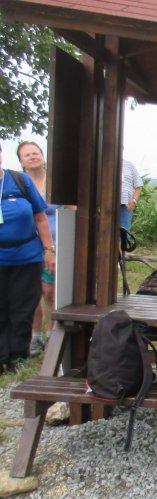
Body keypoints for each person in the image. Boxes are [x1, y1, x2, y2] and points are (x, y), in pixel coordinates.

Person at [0, 143, 56, 374]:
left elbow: (41, 217)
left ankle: (17, 354)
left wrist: (48, 250)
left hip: (26, 256)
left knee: (23, 307)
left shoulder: (19, 181)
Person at [16, 141, 56, 355]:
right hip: (28, 245)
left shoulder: (55, 181)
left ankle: (52, 333)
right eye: (27, 155)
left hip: (54, 245)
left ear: (43, 156)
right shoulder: (19, 183)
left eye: (36, 153)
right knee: (32, 292)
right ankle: (35, 336)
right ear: (21, 161)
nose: (33, 157)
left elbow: (72, 209)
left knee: (49, 292)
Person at [120, 159, 143, 232]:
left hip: (126, 206)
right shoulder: (106, 164)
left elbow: (138, 186)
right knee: (106, 233)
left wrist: (134, 201)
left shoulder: (129, 165)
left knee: (124, 233)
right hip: (107, 206)